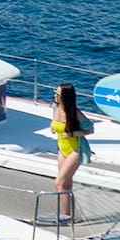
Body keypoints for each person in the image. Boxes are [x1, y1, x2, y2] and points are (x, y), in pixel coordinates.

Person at [52, 82, 93, 222]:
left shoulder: (75, 113)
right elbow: (55, 123)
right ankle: (69, 214)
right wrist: (53, 128)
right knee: (67, 183)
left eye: (58, 94)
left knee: (59, 183)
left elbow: (90, 129)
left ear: (65, 97)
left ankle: (66, 217)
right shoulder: (55, 108)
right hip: (62, 149)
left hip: (75, 149)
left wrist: (73, 133)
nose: (55, 96)